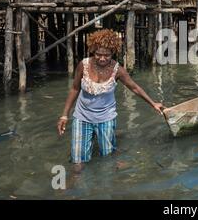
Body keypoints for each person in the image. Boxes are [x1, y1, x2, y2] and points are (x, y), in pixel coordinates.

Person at [57, 29, 165, 166]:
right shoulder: (83, 65)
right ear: (93, 51)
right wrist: (64, 116)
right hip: (82, 117)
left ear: (113, 52)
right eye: (98, 54)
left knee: (107, 159)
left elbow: (134, 88)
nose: (102, 58)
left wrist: (153, 103)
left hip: (106, 118)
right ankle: (75, 183)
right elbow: (74, 89)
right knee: (78, 162)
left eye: (107, 55)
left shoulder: (118, 70)